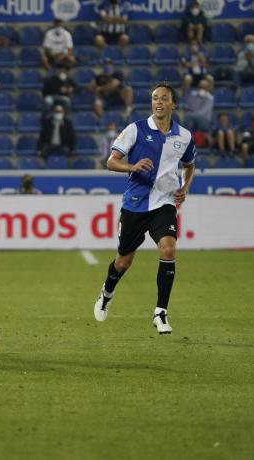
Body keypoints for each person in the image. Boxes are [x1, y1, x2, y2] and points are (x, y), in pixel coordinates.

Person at [93, 83, 196, 335]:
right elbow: (110, 162)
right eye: (154, 98)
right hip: (135, 205)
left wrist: (185, 186)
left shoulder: (184, 136)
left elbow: (189, 164)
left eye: (164, 98)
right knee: (123, 262)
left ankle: (160, 312)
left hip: (165, 203)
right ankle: (107, 292)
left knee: (168, 249)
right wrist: (133, 167)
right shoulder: (135, 129)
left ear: (173, 104)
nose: (158, 102)